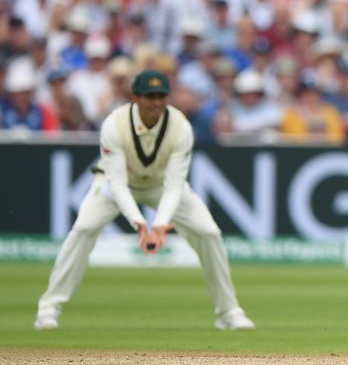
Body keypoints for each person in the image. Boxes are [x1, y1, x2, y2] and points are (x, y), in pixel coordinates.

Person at [34, 69, 254, 331]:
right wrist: (139, 222)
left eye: (161, 95)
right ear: (135, 97)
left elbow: (174, 186)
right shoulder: (114, 125)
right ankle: (48, 308)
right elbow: (116, 183)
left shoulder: (180, 127)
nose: (156, 102)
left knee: (209, 232)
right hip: (114, 184)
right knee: (84, 228)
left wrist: (159, 225)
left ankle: (228, 312)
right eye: (150, 96)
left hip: (161, 186)